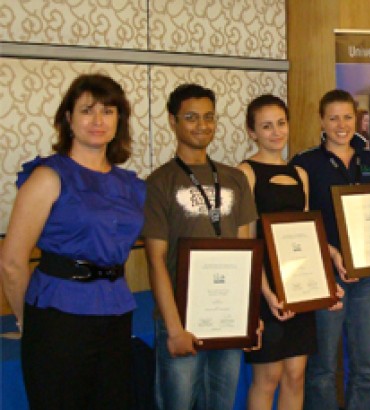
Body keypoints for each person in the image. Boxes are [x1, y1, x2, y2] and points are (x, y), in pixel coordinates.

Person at [0, 74, 144, 409]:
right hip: (58, 316)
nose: (98, 120)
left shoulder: (129, 185)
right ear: (68, 118)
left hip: (116, 311)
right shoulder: (48, 176)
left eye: (108, 111)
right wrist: (29, 323)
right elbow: (11, 261)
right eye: (87, 111)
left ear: (119, 120)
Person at [143, 83, 258, 409]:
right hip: (181, 318)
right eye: (191, 117)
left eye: (209, 117)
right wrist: (174, 328)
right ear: (173, 121)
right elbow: (156, 260)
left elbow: (246, 251)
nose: (202, 125)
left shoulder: (235, 179)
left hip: (229, 318)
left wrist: (248, 315)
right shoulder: (159, 183)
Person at [238, 94, 344, 410]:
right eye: (266, 126)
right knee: (268, 376)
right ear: (252, 132)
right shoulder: (245, 172)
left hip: (299, 284)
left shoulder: (301, 175)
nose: (276, 132)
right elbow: (247, 243)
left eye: (281, 123)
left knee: (296, 374)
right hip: (264, 286)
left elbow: (307, 235)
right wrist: (267, 294)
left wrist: (329, 269)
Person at [291, 89, 370, 410]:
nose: (341, 124)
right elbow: (300, 225)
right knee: (321, 370)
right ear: (322, 120)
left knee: (368, 368)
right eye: (333, 118)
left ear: (358, 119)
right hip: (325, 278)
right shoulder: (305, 164)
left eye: (347, 116)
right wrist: (330, 252)